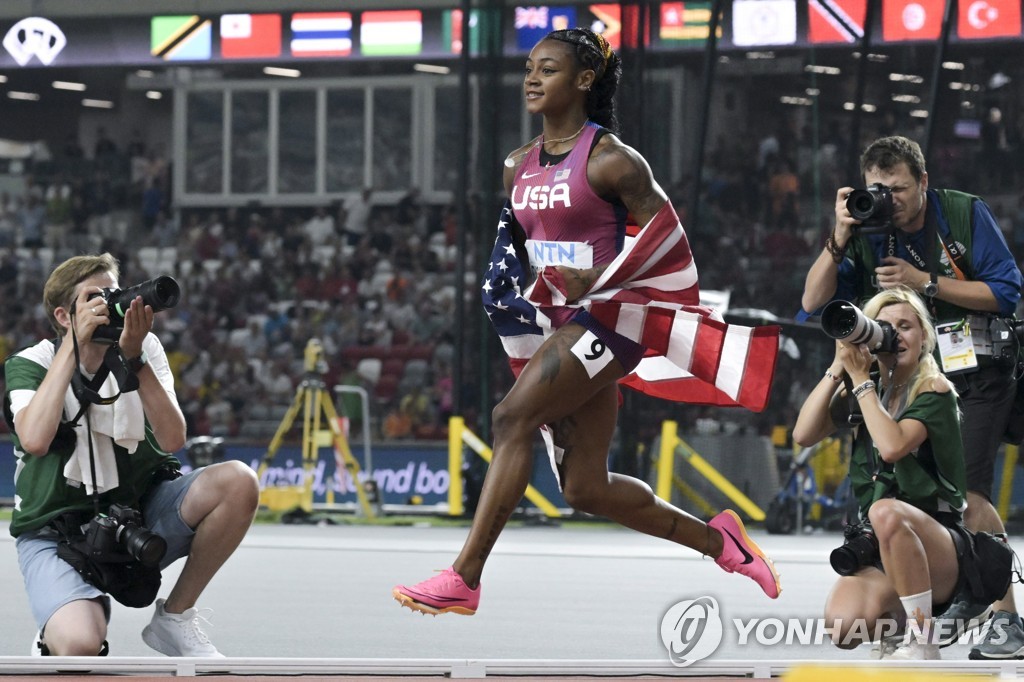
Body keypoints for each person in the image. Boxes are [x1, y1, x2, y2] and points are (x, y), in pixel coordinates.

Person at [392, 27, 781, 617]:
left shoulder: (613, 161)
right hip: (560, 323)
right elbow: (529, 246)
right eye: (529, 67)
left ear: (582, 80)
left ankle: (465, 577)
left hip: (610, 324)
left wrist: (599, 276)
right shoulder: (516, 165)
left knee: (510, 418)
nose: (531, 78)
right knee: (585, 489)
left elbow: (666, 248)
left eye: (547, 70)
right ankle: (718, 539)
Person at [799, 135, 1024, 659]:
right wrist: (839, 233)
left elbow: (1008, 291)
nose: (889, 200)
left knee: (966, 488)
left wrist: (926, 282)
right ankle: (924, 608)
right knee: (922, 502)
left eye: (899, 189)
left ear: (923, 182)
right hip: (901, 373)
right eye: (878, 189)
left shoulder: (963, 214)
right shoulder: (865, 228)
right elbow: (813, 300)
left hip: (975, 371)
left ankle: (1005, 614)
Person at [5, 253, 260, 657]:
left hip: (134, 515)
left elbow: (174, 437)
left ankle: (174, 619)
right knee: (77, 647)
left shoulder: (144, 347)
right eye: (93, 297)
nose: (107, 304)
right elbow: (35, 439)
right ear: (63, 315)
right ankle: (63, 621)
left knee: (238, 481)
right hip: (55, 529)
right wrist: (74, 346)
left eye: (112, 292)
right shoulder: (30, 363)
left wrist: (133, 358)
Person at [793, 287, 969, 660]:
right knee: (843, 626)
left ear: (925, 336)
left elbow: (891, 446)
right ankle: (899, 623)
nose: (895, 335)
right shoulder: (865, 391)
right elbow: (803, 434)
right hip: (883, 543)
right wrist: (839, 366)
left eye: (906, 326)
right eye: (884, 327)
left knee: (885, 511)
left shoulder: (935, 391)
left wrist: (862, 382)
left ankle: (923, 640)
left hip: (942, 547)